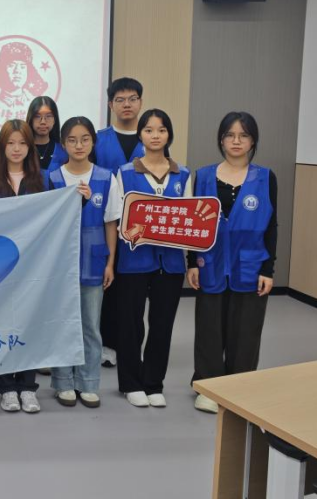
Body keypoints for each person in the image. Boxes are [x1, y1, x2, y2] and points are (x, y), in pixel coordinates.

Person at [187, 112, 277, 414]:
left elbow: (272, 226)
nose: (236, 141)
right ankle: (209, 387)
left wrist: (268, 270)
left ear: (253, 141)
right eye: (230, 135)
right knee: (209, 327)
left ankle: (240, 387)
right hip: (209, 262)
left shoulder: (266, 178)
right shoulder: (203, 176)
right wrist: (192, 262)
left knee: (246, 330)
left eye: (244, 135)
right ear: (221, 139)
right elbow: (192, 223)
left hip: (250, 264)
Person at [115, 109, 191, 409]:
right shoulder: (124, 173)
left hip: (170, 263)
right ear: (140, 135)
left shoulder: (183, 174)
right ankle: (131, 383)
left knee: (162, 324)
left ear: (169, 134)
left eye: (161, 130)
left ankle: (153, 383)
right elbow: (118, 217)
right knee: (130, 324)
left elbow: (189, 221)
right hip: (133, 260)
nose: (155, 135)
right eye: (148, 130)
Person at [48, 117, 120, 409]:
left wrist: (110, 263)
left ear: (93, 142)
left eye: (85, 139)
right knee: (62, 323)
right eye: (72, 140)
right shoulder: (53, 178)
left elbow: (111, 223)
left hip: (94, 259)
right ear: (63, 144)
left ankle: (89, 382)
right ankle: (63, 381)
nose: (79, 145)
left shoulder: (105, 177)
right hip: (60, 262)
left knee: (91, 325)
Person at [0, 119, 48, 414]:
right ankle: (7, 388)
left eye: (22, 143)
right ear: (1, 147)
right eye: (11, 143)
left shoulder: (43, 180)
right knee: (2, 325)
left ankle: (28, 387)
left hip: (33, 266)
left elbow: (58, 215)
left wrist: (79, 200)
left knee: (29, 325)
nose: (16, 149)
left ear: (30, 147)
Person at [95, 77, 146, 369]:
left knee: (135, 289)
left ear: (140, 102)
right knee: (107, 285)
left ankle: (131, 344)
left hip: (141, 228)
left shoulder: (151, 138)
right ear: (110, 104)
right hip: (105, 223)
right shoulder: (98, 139)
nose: (127, 104)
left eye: (132, 99)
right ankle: (106, 345)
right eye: (120, 99)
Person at [0, 41, 49, 108]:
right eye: (11, 65)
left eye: (22, 67)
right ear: (2, 70)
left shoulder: (32, 103)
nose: (17, 71)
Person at [26, 96, 67, 171]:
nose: (43, 122)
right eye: (37, 116)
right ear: (31, 119)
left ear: (54, 120)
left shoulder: (63, 151)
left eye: (48, 116)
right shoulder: (23, 149)